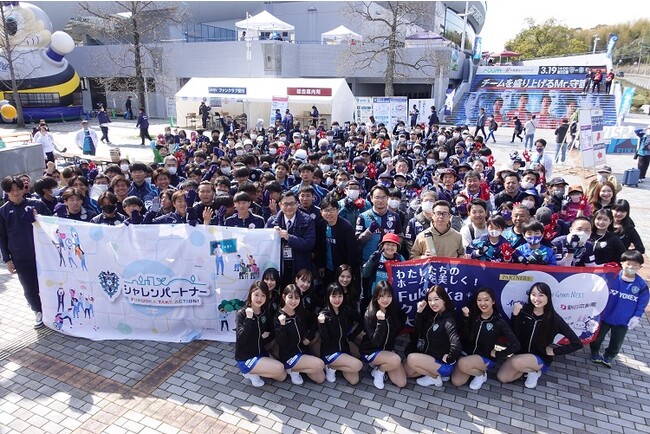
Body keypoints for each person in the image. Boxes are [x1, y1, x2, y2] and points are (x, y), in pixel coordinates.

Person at [497, 282, 582, 389]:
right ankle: (526, 369)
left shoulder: (554, 319)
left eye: (541, 295)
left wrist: (554, 351)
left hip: (539, 357)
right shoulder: (524, 311)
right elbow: (515, 335)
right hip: (521, 355)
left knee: (516, 362)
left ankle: (534, 372)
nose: (536, 298)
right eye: (533, 294)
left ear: (548, 297)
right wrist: (515, 315)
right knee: (502, 377)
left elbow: (577, 343)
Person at [0, 176, 52, 328]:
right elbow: (2, 237)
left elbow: (52, 223)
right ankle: (38, 311)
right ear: (6, 192)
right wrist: (7, 260)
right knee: (29, 287)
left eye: (18, 189)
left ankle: (53, 309)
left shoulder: (36, 204)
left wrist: (38, 218)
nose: (16, 193)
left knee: (48, 283)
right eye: (11, 191)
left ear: (23, 189)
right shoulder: (3, 211)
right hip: (20, 257)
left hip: (42, 254)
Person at [451, 288, 520, 390]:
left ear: (493, 301)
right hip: (467, 355)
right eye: (479, 300)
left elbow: (516, 344)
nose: (482, 303)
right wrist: (466, 318)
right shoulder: (473, 316)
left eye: (486, 299)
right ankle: (472, 370)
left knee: (463, 364)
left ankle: (481, 374)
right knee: (457, 382)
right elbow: (465, 336)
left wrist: (498, 354)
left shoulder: (499, 322)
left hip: (485, 358)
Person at [590, 250, 649, 368]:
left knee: (617, 341)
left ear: (640, 267)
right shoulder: (612, 277)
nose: (631, 267)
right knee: (598, 336)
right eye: (628, 264)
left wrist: (636, 317)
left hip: (624, 320)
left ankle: (609, 356)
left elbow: (642, 302)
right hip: (605, 316)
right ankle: (595, 351)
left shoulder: (641, 285)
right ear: (622, 263)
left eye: (635, 265)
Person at [404, 285, 462, 387]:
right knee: (408, 373)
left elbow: (457, 345)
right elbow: (418, 330)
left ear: (444, 300)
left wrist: (449, 358)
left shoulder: (448, 321)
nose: (433, 303)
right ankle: (434, 373)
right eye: (430, 300)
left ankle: (435, 378)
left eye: (436, 299)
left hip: (443, 364)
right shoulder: (433, 315)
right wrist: (419, 312)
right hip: (430, 358)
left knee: (411, 358)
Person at [235, 281, 287, 387]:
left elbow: (272, 330)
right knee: (279, 368)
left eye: (263, 295)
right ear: (250, 294)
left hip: (260, 352)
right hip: (246, 357)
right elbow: (241, 338)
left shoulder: (264, 312)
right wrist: (249, 319)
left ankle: (256, 370)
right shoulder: (242, 313)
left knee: (282, 376)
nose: (259, 298)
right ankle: (248, 372)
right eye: (256, 295)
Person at [358, 281, 407, 390]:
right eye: (381, 296)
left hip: (387, 351)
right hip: (371, 351)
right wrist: (381, 322)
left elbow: (398, 329)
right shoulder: (369, 314)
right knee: (396, 360)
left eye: (389, 296)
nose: (385, 299)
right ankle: (379, 372)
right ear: (376, 296)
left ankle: (382, 366)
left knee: (401, 382)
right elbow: (375, 342)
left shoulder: (394, 311)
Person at [274, 284, 326, 385]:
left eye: (297, 298)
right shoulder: (279, 316)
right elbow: (282, 342)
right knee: (320, 364)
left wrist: (309, 337)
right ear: (284, 297)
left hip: (302, 350)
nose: (293, 301)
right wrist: (282, 325)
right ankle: (291, 369)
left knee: (320, 378)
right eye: (290, 297)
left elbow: (314, 321)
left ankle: (298, 368)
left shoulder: (300, 312)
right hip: (289, 355)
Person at [266, 191, 315, 288]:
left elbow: (309, 244)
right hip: (279, 266)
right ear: (280, 205)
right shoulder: (272, 221)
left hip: (300, 266)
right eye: (285, 204)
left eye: (292, 204)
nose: (289, 207)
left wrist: (289, 237)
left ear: (297, 204)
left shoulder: (307, 220)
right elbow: (265, 243)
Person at [317, 283, 364, 384]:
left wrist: (352, 336)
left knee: (354, 380)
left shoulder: (346, 310)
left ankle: (334, 367)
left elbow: (362, 321)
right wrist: (321, 324)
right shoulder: (324, 315)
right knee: (358, 365)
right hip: (330, 352)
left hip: (344, 349)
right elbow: (325, 340)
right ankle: (330, 366)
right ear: (328, 297)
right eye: (333, 296)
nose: (337, 299)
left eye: (340, 296)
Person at [315, 196, 358, 287]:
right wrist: (320, 265)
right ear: (321, 212)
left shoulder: (346, 227)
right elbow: (318, 247)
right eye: (326, 210)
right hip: (327, 268)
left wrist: (348, 269)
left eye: (332, 210)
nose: (329, 213)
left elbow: (352, 251)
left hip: (342, 269)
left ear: (338, 210)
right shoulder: (321, 225)